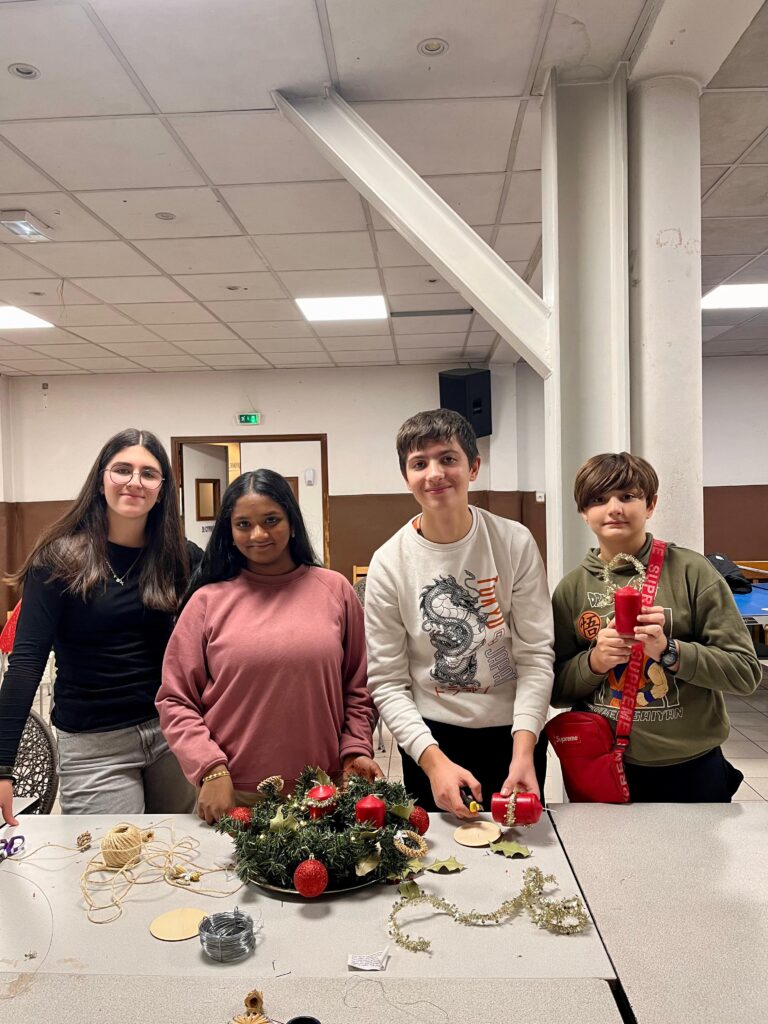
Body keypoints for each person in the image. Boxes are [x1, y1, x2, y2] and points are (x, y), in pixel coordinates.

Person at [156, 469, 381, 824]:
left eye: (271, 520)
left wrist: (355, 749)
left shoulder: (335, 590)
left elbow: (360, 687)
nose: (258, 534)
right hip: (232, 794)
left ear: (292, 524)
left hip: (324, 792)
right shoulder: (206, 602)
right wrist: (210, 768)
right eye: (243, 524)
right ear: (230, 532)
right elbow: (175, 700)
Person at [0, 428, 200, 826]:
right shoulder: (58, 560)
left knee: (177, 854)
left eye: (148, 473)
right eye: (122, 469)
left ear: (162, 490)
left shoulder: (181, 557)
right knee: (114, 861)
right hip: (95, 745)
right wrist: (3, 764)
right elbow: (26, 663)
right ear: (100, 480)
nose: (134, 482)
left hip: (172, 734)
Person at [364, 409, 554, 820]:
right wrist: (432, 763)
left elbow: (535, 656)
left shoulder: (514, 542)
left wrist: (524, 749)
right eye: (419, 463)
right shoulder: (389, 562)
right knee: (439, 854)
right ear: (406, 477)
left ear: (473, 467)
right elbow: (388, 681)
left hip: (514, 733)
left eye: (448, 458)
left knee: (522, 847)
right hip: (431, 738)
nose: (435, 473)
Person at [551, 451, 761, 802]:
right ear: (583, 512)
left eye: (627, 496)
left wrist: (670, 651)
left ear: (650, 505)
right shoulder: (572, 589)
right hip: (604, 762)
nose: (614, 508)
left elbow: (744, 673)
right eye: (598, 500)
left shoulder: (692, 573)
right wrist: (594, 662)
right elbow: (556, 690)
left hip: (691, 766)